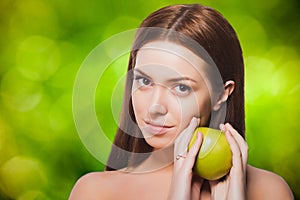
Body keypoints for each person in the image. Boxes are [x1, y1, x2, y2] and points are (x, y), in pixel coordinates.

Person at [69, 4, 294, 199]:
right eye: (144, 81)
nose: (155, 107)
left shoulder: (269, 191)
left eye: (181, 88)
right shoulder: (95, 192)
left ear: (222, 94)